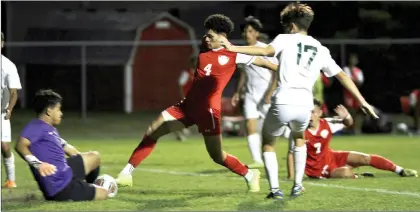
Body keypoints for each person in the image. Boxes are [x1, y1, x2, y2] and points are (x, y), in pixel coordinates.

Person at [219, 3, 378, 199]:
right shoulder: (320, 48)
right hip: (305, 104)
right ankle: (297, 186)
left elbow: (265, 51)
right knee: (299, 139)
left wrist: (231, 47)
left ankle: (275, 189)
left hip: (284, 99)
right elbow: (342, 76)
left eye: (286, 26)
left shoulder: (285, 38)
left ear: (292, 26)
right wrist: (362, 101)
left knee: (268, 144)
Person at [116, 14, 279, 193]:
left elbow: (264, 62)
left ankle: (249, 174)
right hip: (186, 106)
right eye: (207, 35)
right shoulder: (205, 45)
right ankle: (126, 173)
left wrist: (286, 71)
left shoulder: (235, 55)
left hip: (208, 112)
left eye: (211, 36)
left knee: (217, 156)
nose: (206, 39)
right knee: (153, 131)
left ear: (223, 37)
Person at [14, 89, 109, 201]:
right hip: (60, 187)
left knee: (94, 156)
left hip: (66, 171)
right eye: (58, 109)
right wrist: (38, 164)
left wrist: (82, 160)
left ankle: (84, 185)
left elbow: (70, 151)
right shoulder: (35, 126)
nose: (61, 113)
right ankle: (83, 189)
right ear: (49, 111)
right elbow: (20, 145)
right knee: (105, 193)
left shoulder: (49, 129)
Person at [286, 99, 418, 179]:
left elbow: (348, 123)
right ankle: (357, 176)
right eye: (307, 111)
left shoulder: (327, 123)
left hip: (331, 157)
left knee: (365, 158)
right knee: (345, 172)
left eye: (313, 112)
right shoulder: (300, 131)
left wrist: (347, 116)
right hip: (318, 170)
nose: (310, 115)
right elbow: (292, 154)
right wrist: (292, 177)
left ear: (320, 113)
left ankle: (400, 170)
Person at [231, 16, 278, 168]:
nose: (247, 34)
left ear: (257, 33)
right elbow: (244, 74)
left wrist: (270, 93)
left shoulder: (265, 49)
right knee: (250, 125)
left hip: (265, 96)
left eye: (250, 31)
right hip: (250, 95)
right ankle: (257, 161)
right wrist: (238, 92)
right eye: (245, 31)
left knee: (276, 128)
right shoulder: (242, 51)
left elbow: (276, 73)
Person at [1, 31, 22, 188]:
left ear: (2, 44)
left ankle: (11, 180)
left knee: (4, 145)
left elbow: (14, 92)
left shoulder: (8, 66)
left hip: (1, 112)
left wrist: (10, 109)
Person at [174, 55, 197, 141]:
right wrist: (183, 97)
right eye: (195, 62)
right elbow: (180, 85)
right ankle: (180, 130)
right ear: (191, 63)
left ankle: (180, 130)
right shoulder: (186, 74)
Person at [342, 53, 365, 134]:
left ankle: (356, 129)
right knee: (350, 111)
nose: (353, 61)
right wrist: (354, 80)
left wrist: (353, 80)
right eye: (352, 59)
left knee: (359, 111)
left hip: (356, 93)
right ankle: (349, 129)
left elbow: (360, 82)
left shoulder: (358, 71)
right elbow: (346, 80)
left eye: (355, 59)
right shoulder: (345, 69)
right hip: (348, 94)